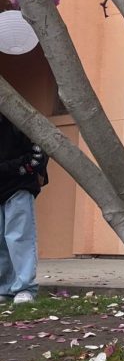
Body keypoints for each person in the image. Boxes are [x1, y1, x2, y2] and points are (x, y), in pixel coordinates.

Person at [0, 114, 47, 305]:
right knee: (1, 240)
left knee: (19, 236)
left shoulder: (19, 121)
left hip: (18, 187)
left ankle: (25, 287)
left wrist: (9, 169)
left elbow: (37, 155)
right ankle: (4, 288)